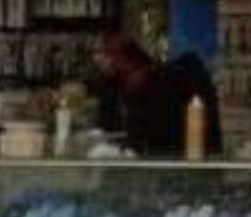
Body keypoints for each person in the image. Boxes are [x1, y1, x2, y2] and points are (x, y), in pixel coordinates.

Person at [93, 31, 221, 158]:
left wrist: (123, 150)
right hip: (160, 154)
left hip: (174, 155)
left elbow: (146, 135)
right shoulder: (116, 85)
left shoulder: (151, 83)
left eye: (101, 52)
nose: (97, 59)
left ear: (119, 55)